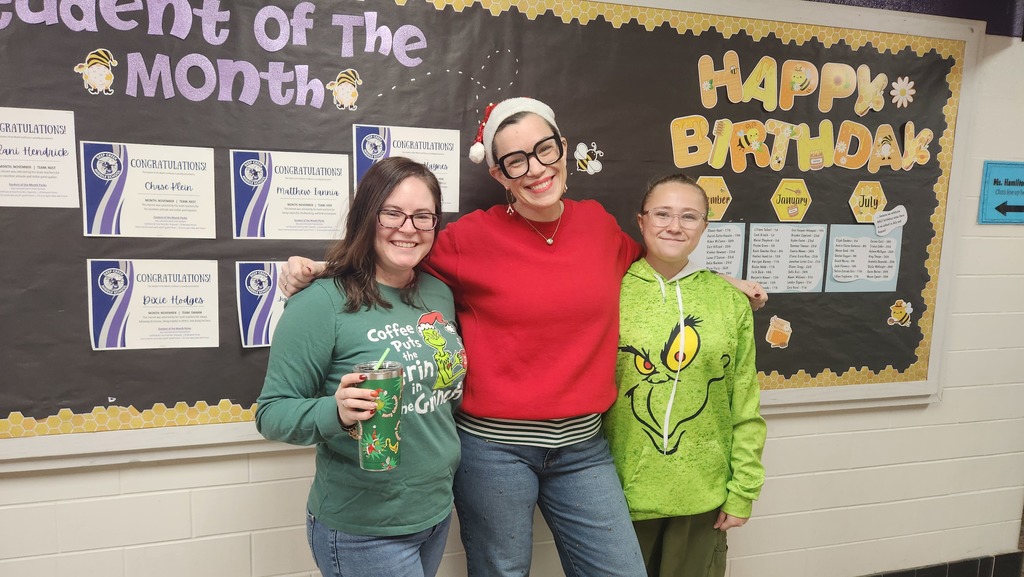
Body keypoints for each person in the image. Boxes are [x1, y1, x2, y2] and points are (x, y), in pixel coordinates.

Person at [278, 97, 766, 577]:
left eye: (544, 150)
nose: (535, 168)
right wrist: (320, 269)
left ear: (563, 149)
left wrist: (720, 283)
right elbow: (397, 250)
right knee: (502, 570)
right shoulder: (469, 238)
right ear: (498, 174)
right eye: (515, 160)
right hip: (494, 451)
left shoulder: (597, 224)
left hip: (583, 446)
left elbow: (655, 262)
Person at [255, 157, 467, 577]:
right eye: (392, 213)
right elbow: (270, 412)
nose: (408, 228)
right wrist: (334, 411)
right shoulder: (320, 303)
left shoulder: (439, 293)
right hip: (364, 529)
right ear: (366, 216)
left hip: (434, 512)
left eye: (423, 216)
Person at [604, 174, 766, 577]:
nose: (675, 226)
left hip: (703, 495)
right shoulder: (608, 290)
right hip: (620, 492)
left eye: (689, 216)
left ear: (704, 227)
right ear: (640, 221)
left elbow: (744, 403)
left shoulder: (729, 302)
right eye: (662, 214)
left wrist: (743, 490)